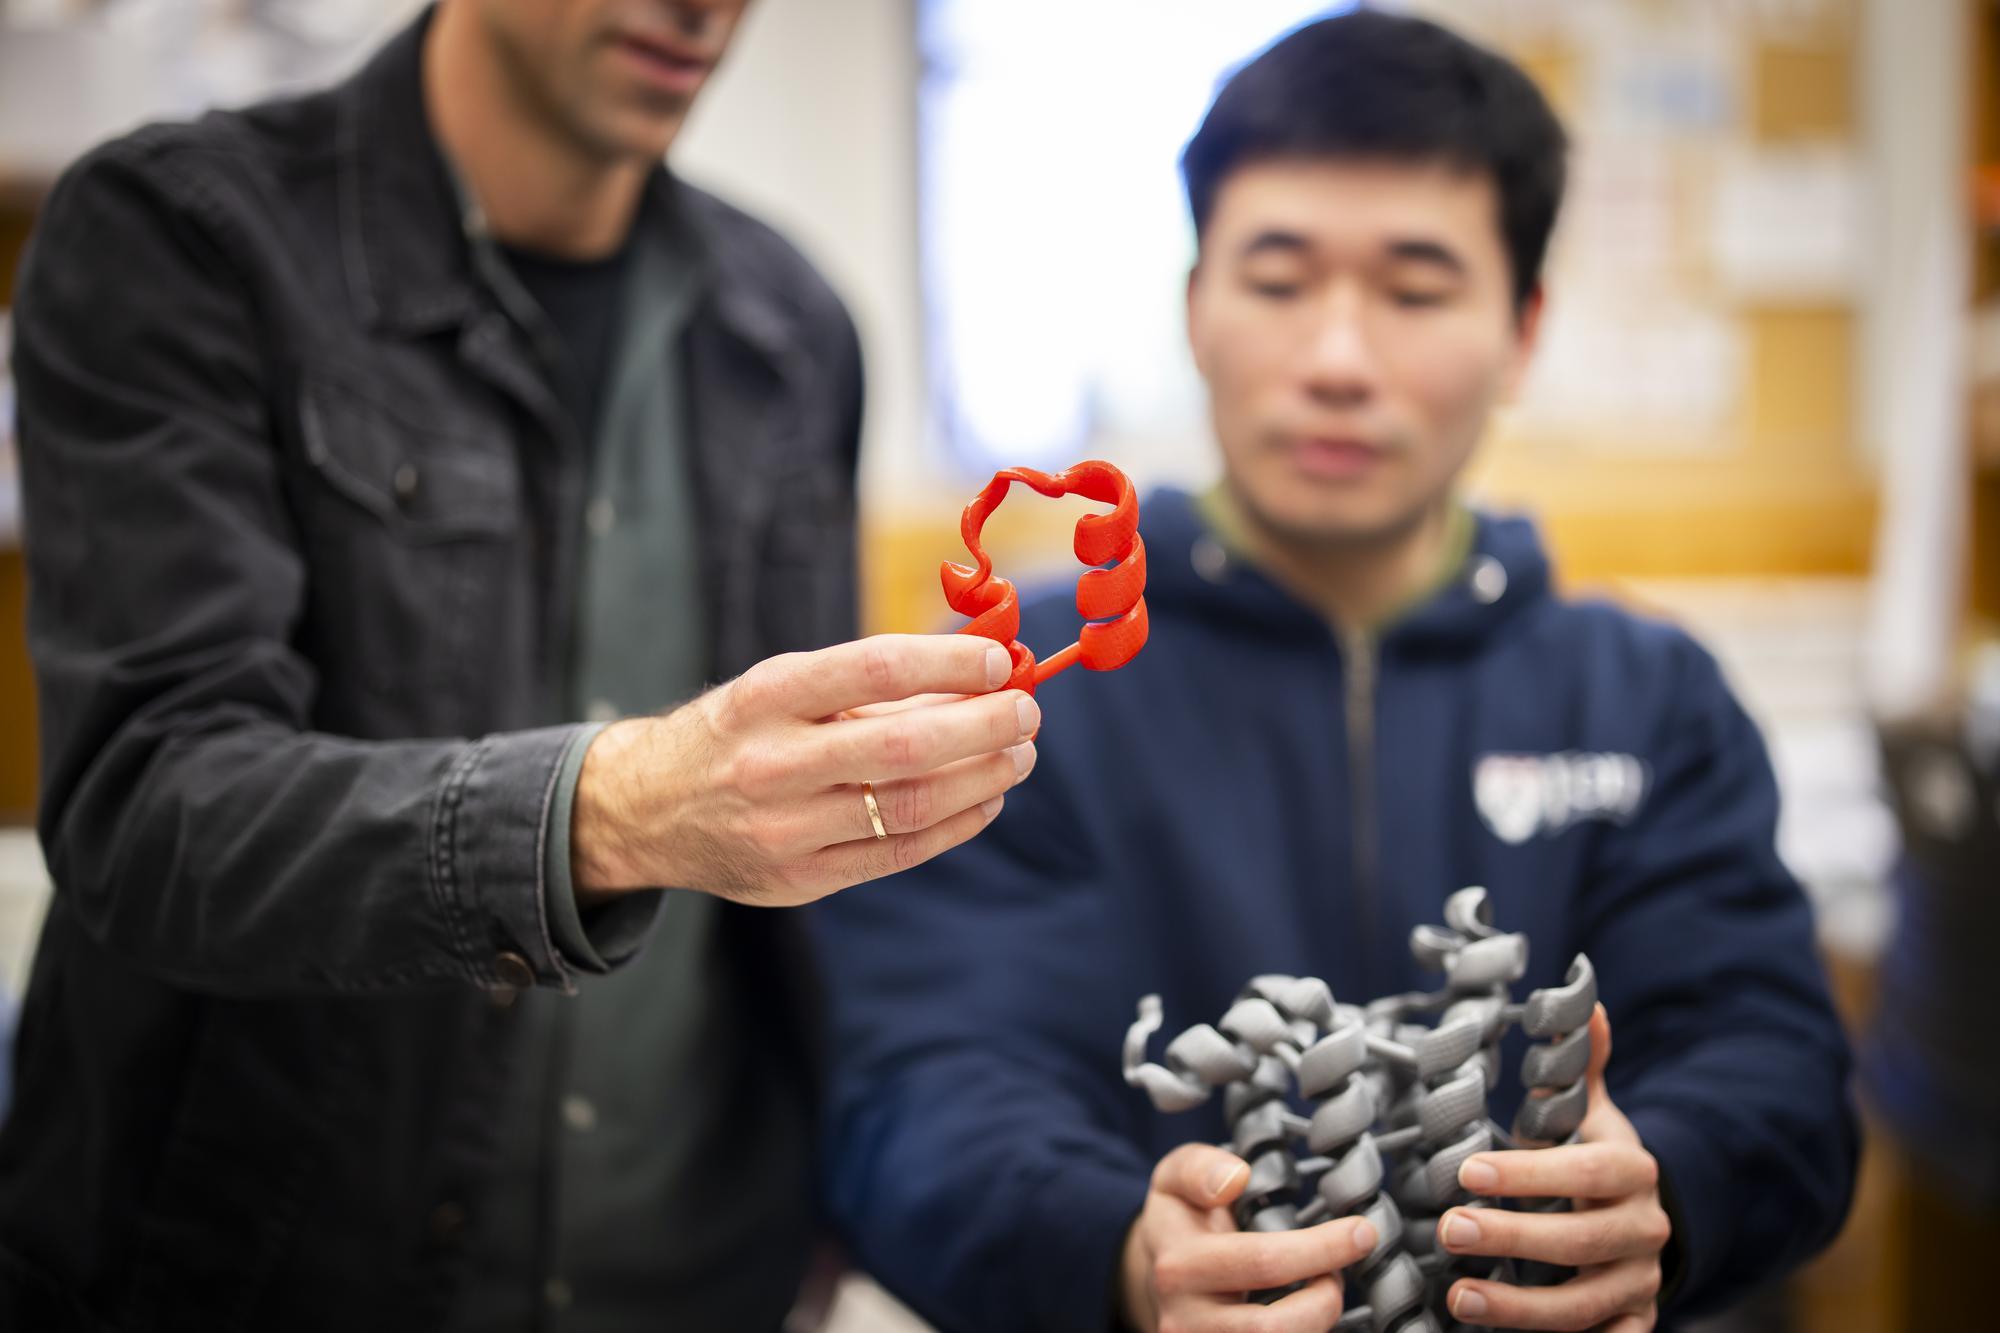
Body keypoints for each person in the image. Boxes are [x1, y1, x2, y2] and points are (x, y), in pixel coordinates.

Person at [812, 12, 1858, 1332]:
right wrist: (1120, 1255)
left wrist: (1672, 1182)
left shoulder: (1647, 700)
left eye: (1417, 290)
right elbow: (923, 1080)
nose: (1338, 361)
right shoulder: (1013, 685)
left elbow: (1775, 1061)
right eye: (1278, 277)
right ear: (1195, 308)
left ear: (1524, 329)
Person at [0, 1, 1040, 1328]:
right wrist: (619, 806)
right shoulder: (182, 242)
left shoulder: (791, 327)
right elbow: (151, 804)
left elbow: (819, 907)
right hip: (268, 1271)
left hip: (698, 1275)